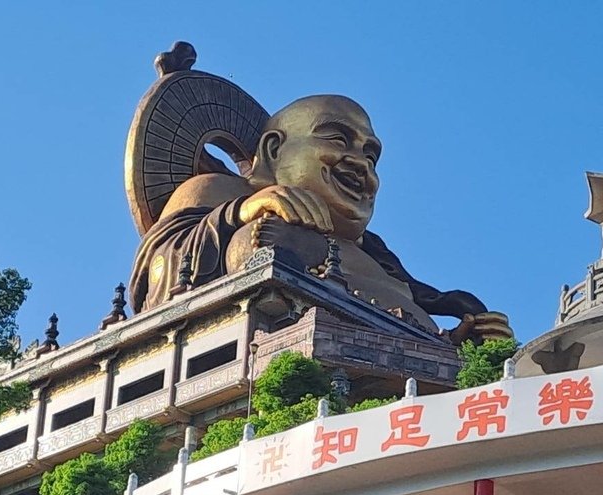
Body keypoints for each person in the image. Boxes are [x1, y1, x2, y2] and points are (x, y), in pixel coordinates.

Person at [130, 95, 511, 343]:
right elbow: (158, 271)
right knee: (257, 242)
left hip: (397, 372)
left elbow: (417, 305)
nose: (361, 163)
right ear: (275, 148)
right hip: (277, 348)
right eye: (338, 139)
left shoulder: (373, 252)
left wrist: (467, 338)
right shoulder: (218, 190)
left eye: (371, 156)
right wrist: (241, 211)